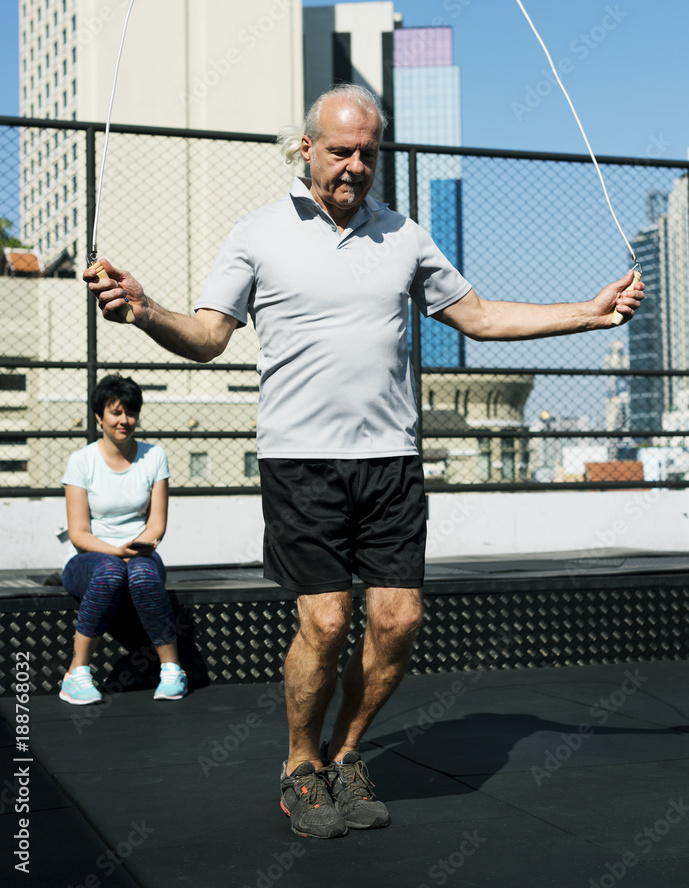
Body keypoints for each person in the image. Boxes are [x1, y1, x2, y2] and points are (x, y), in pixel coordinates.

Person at [84, 83, 643, 838]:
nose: (353, 166)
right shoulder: (256, 234)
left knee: (398, 618)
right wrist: (145, 310)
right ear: (305, 147)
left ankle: (346, 753)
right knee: (324, 621)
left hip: (390, 464)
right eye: (340, 151)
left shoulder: (405, 237)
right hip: (300, 465)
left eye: (367, 154)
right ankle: (298, 765)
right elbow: (209, 335)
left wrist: (589, 310)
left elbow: (476, 318)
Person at [60, 374, 187, 705]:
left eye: (130, 412)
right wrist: (117, 551)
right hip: (90, 559)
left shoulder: (154, 456)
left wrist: (137, 548)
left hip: (141, 555)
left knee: (141, 573)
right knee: (111, 571)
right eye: (115, 413)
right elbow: (78, 534)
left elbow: (156, 525)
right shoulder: (81, 461)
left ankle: (172, 669)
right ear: (99, 416)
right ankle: (77, 673)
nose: (124, 420)